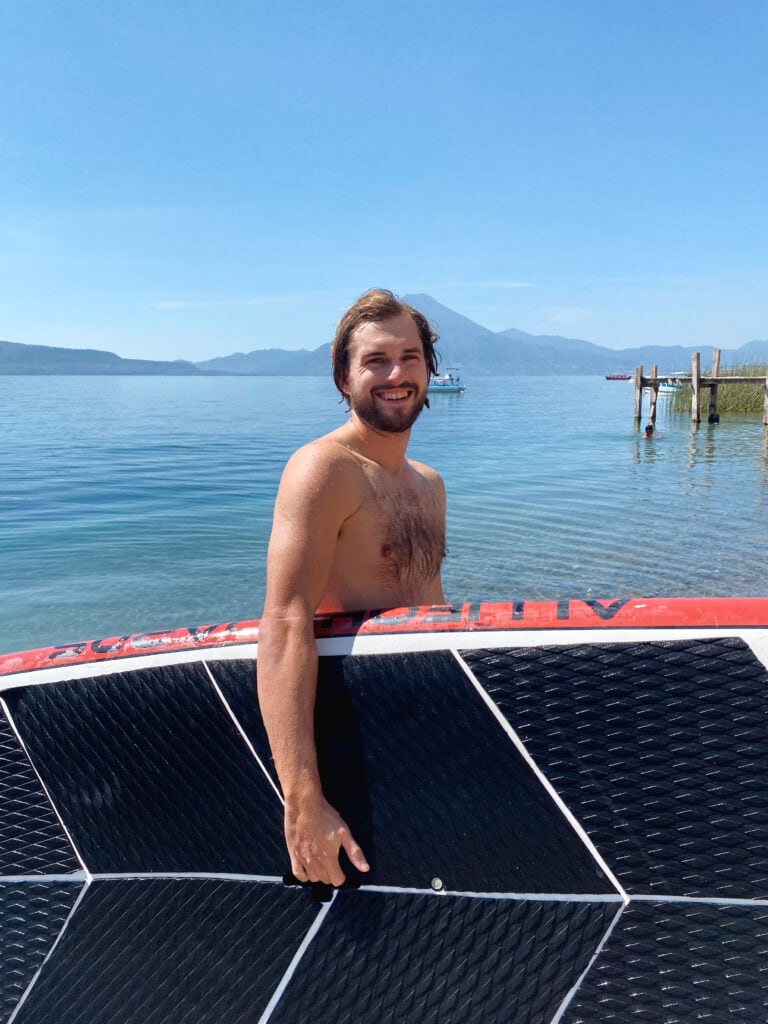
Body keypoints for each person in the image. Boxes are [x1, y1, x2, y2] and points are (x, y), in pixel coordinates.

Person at [257, 289, 447, 887]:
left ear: (429, 369)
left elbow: (435, 612)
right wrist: (303, 798)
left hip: (420, 730)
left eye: (411, 357)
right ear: (344, 376)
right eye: (376, 360)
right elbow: (285, 623)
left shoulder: (429, 485)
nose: (397, 374)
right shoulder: (323, 469)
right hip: (349, 733)